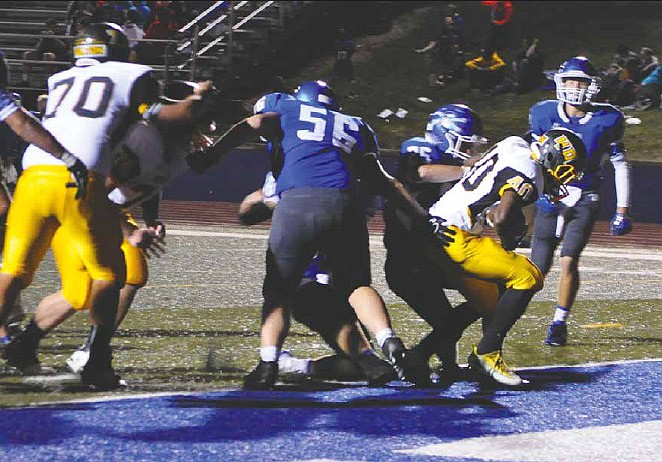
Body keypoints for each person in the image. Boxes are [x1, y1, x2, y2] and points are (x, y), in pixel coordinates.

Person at [0, 24, 218, 389]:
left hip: (36, 173)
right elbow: (160, 123)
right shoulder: (139, 102)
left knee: (21, 272)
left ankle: (24, 344)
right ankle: (96, 359)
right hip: (80, 183)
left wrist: (149, 219)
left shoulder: (62, 79)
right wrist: (198, 102)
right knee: (113, 276)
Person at [188, 80, 433, 390]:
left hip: (300, 207)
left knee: (279, 292)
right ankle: (387, 340)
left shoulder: (286, 109)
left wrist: (214, 154)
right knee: (357, 285)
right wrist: (425, 220)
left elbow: (254, 124)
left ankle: (268, 364)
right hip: (346, 207)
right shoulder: (355, 126)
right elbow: (387, 183)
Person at [425, 127, 588, 386]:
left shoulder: (512, 143)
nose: (565, 179)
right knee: (528, 275)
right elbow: (502, 215)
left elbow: (478, 168)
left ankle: (420, 354)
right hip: (452, 235)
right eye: (566, 169)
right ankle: (486, 353)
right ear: (551, 157)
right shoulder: (531, 173)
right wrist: (511, 237)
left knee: (491, 298)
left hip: (435, 224)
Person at [237, 173, 396, 386]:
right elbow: (248, 211)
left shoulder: (304, 163)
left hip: (333, 280)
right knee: (366, 359)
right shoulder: (349, 167)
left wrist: (270, 198)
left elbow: (248, 212)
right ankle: (271, 361)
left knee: (355, 368)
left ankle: (295, 366)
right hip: (309, 280)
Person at [529, 56, 632, 347]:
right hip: (551, 196)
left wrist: (622, 209)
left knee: (569, 259)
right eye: (571, 80)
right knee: (537, 268)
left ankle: (559, 321)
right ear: (560, 83)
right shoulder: (543, 114)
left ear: (592, 86)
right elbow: (532, 158)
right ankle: (507, 312)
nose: (576, 86)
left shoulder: (607, 119)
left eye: (582, 81)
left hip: (585, 196)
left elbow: (620, 164)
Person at [383, 104, 488, 380]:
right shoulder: (420, 148)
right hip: (409, 261)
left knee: (490, 292)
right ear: (444, 134)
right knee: (454, 315)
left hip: (431, 256)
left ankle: (447, 363)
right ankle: (421, 359)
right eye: (464, 143)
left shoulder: (449, 167)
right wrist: (468, 170)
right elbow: (419, 173)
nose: (468, 151)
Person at [20, 19, 69, 87]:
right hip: (41, 53)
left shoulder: (61, 34)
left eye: (53, 26)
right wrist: (42, 39)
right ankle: (25, 80)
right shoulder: (44, 34)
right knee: (27, 54)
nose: (51, 28)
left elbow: (63, 47)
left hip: (56, 54)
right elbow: (37, 48)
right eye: (49, 26)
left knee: (47, 56)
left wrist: (54, 37)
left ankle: (47, 81)